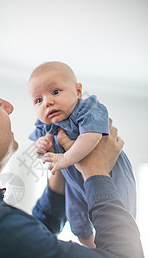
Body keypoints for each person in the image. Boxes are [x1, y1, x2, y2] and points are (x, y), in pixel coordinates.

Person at [0, 50, 147, 258]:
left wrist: (59, 177)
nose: (10, 106)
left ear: (77, 90)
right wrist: (97, 173)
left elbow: (34, 235)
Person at [28, 61, 136, 248]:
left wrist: (65, 158)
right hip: (73, 181)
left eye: (55, 92)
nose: (47, 102)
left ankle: (118, 257)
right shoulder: (47, 123)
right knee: (78, 224)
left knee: (120, 216)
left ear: (78, 91)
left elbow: (91, 136)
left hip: (108, 173)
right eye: (38, 100)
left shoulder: (87, 108)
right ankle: (94, 252)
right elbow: (41, 143)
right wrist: (42, 145)